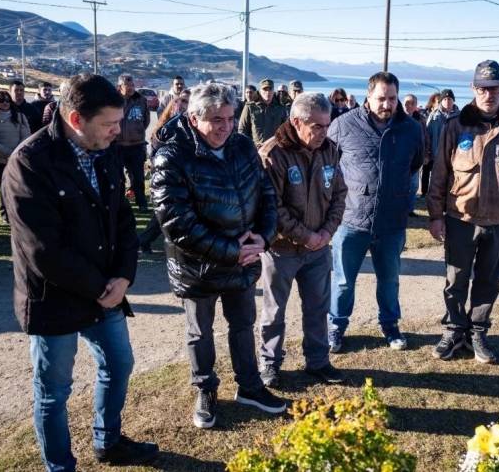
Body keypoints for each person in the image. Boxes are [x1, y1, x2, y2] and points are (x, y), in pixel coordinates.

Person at [2, 73, 158, 470]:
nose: (117, 131)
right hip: (54, 297)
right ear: (76, 120)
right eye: (109, 124)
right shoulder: (29, 163)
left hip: (107, 290)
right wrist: (101, 287)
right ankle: (60, 466)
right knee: (54, 391)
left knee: (119, 365)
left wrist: (124, 276)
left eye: (119, 122)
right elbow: (43, 250)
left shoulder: (105, 151)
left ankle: (109, 441)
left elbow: (122, 218)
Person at [152, 82, 286, 430]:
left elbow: (267, 192)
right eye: (216, 119)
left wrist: (264, 237)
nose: (225, 126)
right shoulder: (172, 155)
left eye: (229, 118)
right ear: (194, 118)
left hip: (243, 260)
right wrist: (232, 251)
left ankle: (251, 387)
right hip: (199, 266)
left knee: (242, 325)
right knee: (201, 332)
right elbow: (176, 223)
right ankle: (205, 390)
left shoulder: (241, 145)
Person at [427, 60, 499, 363]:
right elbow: (439, 173)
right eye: (482, 88)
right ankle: (453, 330)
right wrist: (436, 216)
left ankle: (477, 331)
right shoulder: (455, 126)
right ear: (473, 88)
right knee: (455, 280)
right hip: (460, 217)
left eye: (494, 88)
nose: (488, 94)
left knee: (489, 280)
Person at [326, 72, 424, 353]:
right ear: (368, 97)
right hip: (351, 219)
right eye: (381, 98)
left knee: (390, 280)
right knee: (344, 281)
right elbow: (327, 165)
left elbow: (415, 164)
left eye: (392, 98)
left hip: (392, 222)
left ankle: (391, 325)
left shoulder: (412, 129)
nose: (387, 104)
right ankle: (336, 326)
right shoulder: (343, 125)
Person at [258, 93, 347, 388]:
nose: (323, 132)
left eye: (327, 125)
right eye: (317, 126)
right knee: (274, 311)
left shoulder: (330, 150)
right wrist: (305, 235)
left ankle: (318, 361)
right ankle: (270, 364)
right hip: (281, 251)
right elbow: (273, 207)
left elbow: (339, 194)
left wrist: (326, 233)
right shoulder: (273, 154)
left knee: (317, 307)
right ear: (296, 122)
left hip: (318, 249)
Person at [138, 90, 190, 253]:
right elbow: (156, 149)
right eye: (181, 101)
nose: (183, 105)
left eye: (187, 102)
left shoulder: (189, 123)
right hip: (168, 174)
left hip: (184, 173)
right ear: (174, 103)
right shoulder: (168, 124)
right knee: (164, 212)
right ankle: (144, 240)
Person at [0, 91, 30, 224]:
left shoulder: (19, 116)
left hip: (18, 157)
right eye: (1, 100)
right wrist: (8, 153)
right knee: (3, 187)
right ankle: (5, 214)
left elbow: (26, 136)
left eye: (7, 100)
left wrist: (16, 153)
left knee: (19, 186)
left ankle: (19, 212)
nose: (4, 103)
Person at [116, 73, 151, 212]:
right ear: (120, 87)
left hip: (136, 145)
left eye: (132, 85)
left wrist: (137, 132)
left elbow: (146, 120)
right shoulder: (113, 100)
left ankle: (142, 203)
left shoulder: (141, 100)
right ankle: (120, 203)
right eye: (127, 85)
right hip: (117, 145)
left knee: (138, 177)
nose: (131, 88)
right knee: (118, 178)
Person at [424, 89, 459, 196]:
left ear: (453, 101)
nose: (447, 101)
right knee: (436, 179)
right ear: (441, 101)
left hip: (454, 155)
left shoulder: (460, 116)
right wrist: (427, 153)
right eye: (445, 99)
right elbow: (427, 135)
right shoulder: (434, 116)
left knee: (451, 178)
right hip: (436, 153)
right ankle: (432, 197)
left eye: (449, 99)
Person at [237, 78, 288, 148]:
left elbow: (285, 130)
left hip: (275, 150)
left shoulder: (280, 108)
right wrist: (247, 147)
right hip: (255, 150)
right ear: (260, 91)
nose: (268, 92)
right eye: (265, 89)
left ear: (274, 91)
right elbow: (242, 130)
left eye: (270, 89)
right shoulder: (250, 107)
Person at [403, 93, 428, 216]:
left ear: (416, 105)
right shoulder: (396, 118)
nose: (409, 105)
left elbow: (425, 138)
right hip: (400, 159)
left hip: (415, 159)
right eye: (407, 102)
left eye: (412, 103)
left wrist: (426, 154)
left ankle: (410, 209)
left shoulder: (421, 120)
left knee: (413, 186)